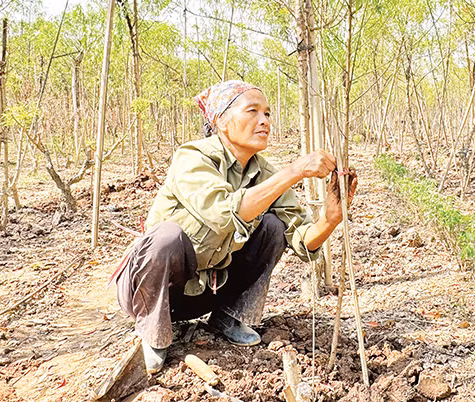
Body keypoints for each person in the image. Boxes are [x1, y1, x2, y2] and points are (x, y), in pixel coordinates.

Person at [112, 80, 357, 373]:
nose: (264, 121)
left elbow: (303, 241)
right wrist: (295, 171)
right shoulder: (192, 157)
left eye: (267, 114)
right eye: (252, 111)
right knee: (167, 236)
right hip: (150, 291)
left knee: (272, 226)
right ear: (222, 122)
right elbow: (223, 212)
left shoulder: (264, 173)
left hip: (204, 292)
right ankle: (154, 334)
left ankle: (229, 316)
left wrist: (331, 219)